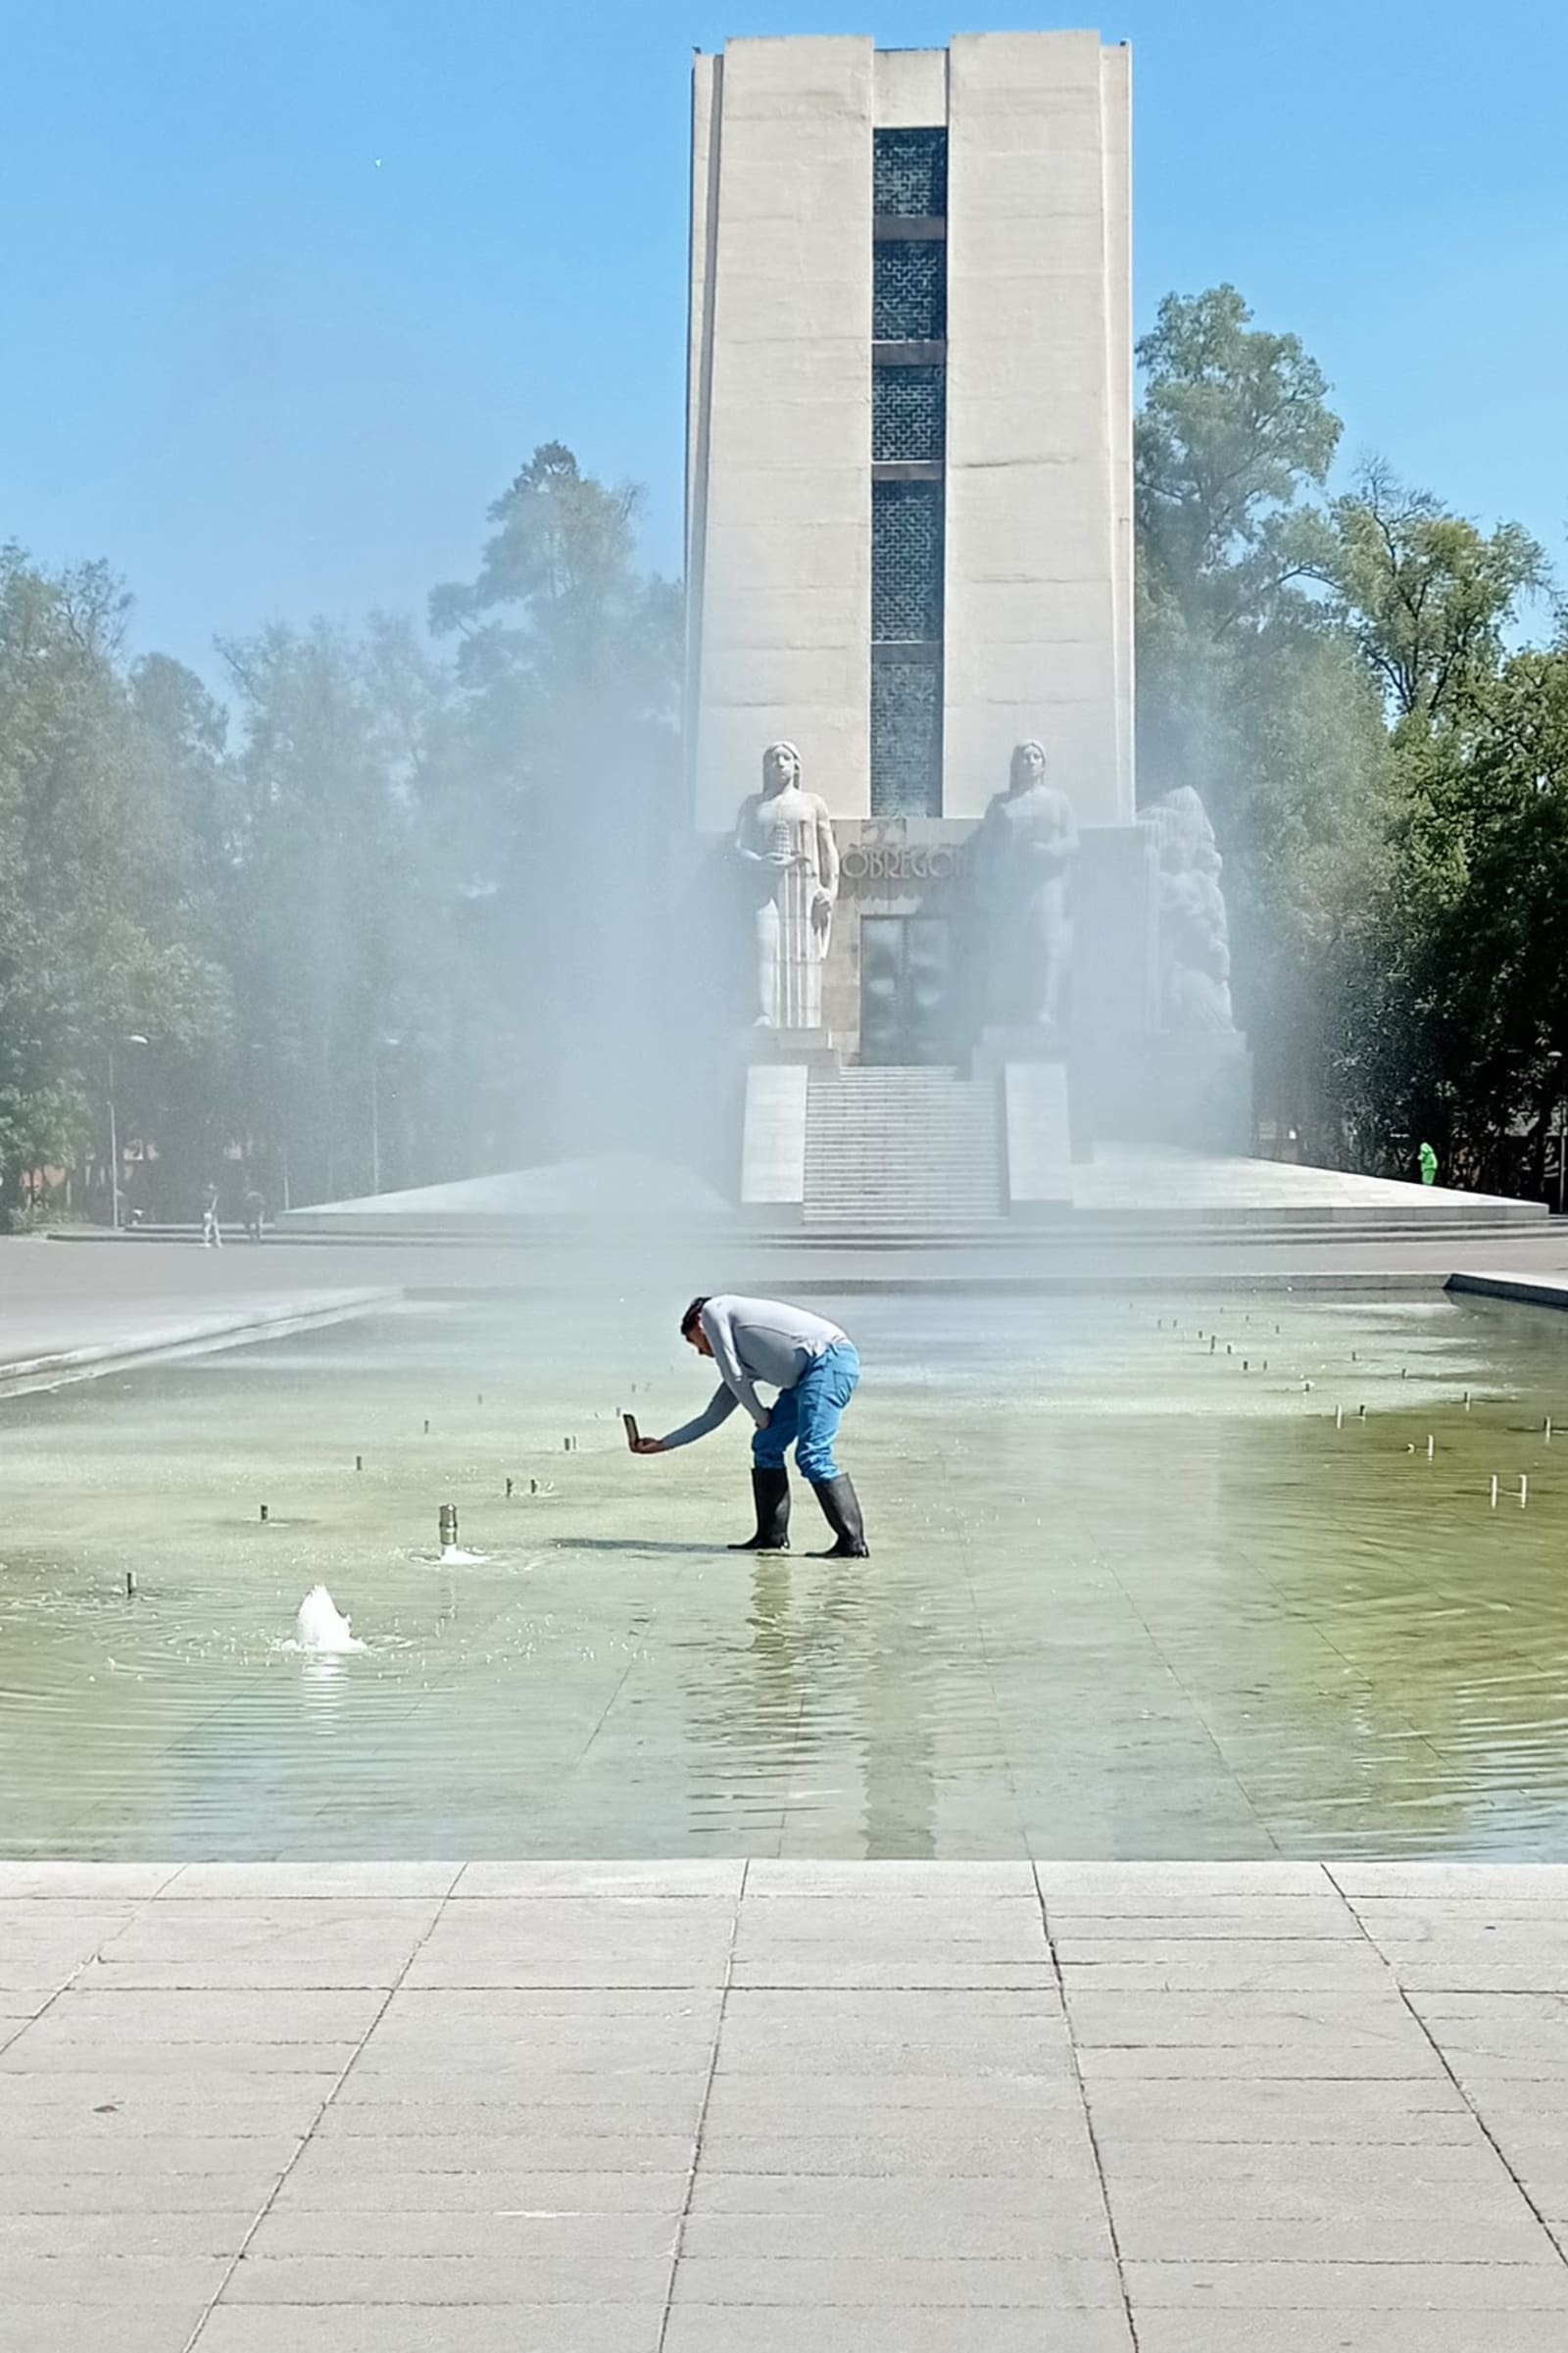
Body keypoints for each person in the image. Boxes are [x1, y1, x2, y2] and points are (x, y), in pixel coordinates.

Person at [631, 1294, 868, 1558]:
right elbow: (712, 1417)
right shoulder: (747, 1362)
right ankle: (771, 1537)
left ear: (699, 1324)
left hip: (829, 1361)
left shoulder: (713, 1310)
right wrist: (663, 1444)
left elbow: (732, 1374)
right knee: (766, 1445)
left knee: (812, 1454)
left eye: (693, 1342)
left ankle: (852, 1543)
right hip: (806, 1378)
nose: (699, 1351)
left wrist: (760, 1416)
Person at [201, 1182, 223, 1249]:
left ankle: (206, 1242)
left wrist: (209, 1210)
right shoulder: (214, 1194)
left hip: (208, 1212)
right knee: (214, 1228)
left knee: (207, 1228)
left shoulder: (206, 1194)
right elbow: (214, 1204)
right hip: (212, 1212)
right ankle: (217, 1242)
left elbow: (210, 1204)